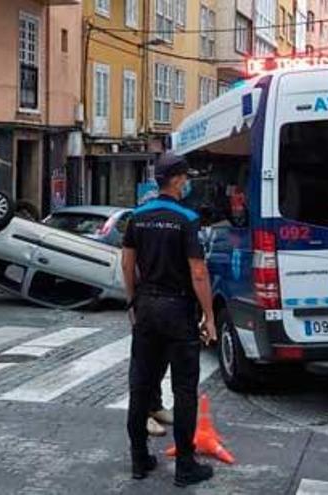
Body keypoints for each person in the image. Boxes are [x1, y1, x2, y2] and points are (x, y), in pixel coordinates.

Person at [122, 152, 217, 487]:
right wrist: (209, 315)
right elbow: (198, 272)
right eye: (186, 176)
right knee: (184, 389)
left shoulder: (139, 215)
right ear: (177, 179)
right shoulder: (187, 218)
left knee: (140, 386)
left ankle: (139, 459)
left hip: (147, 306)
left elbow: (127, 262)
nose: (187, 181)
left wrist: (133, 300)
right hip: (178, 310)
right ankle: (186, 466)